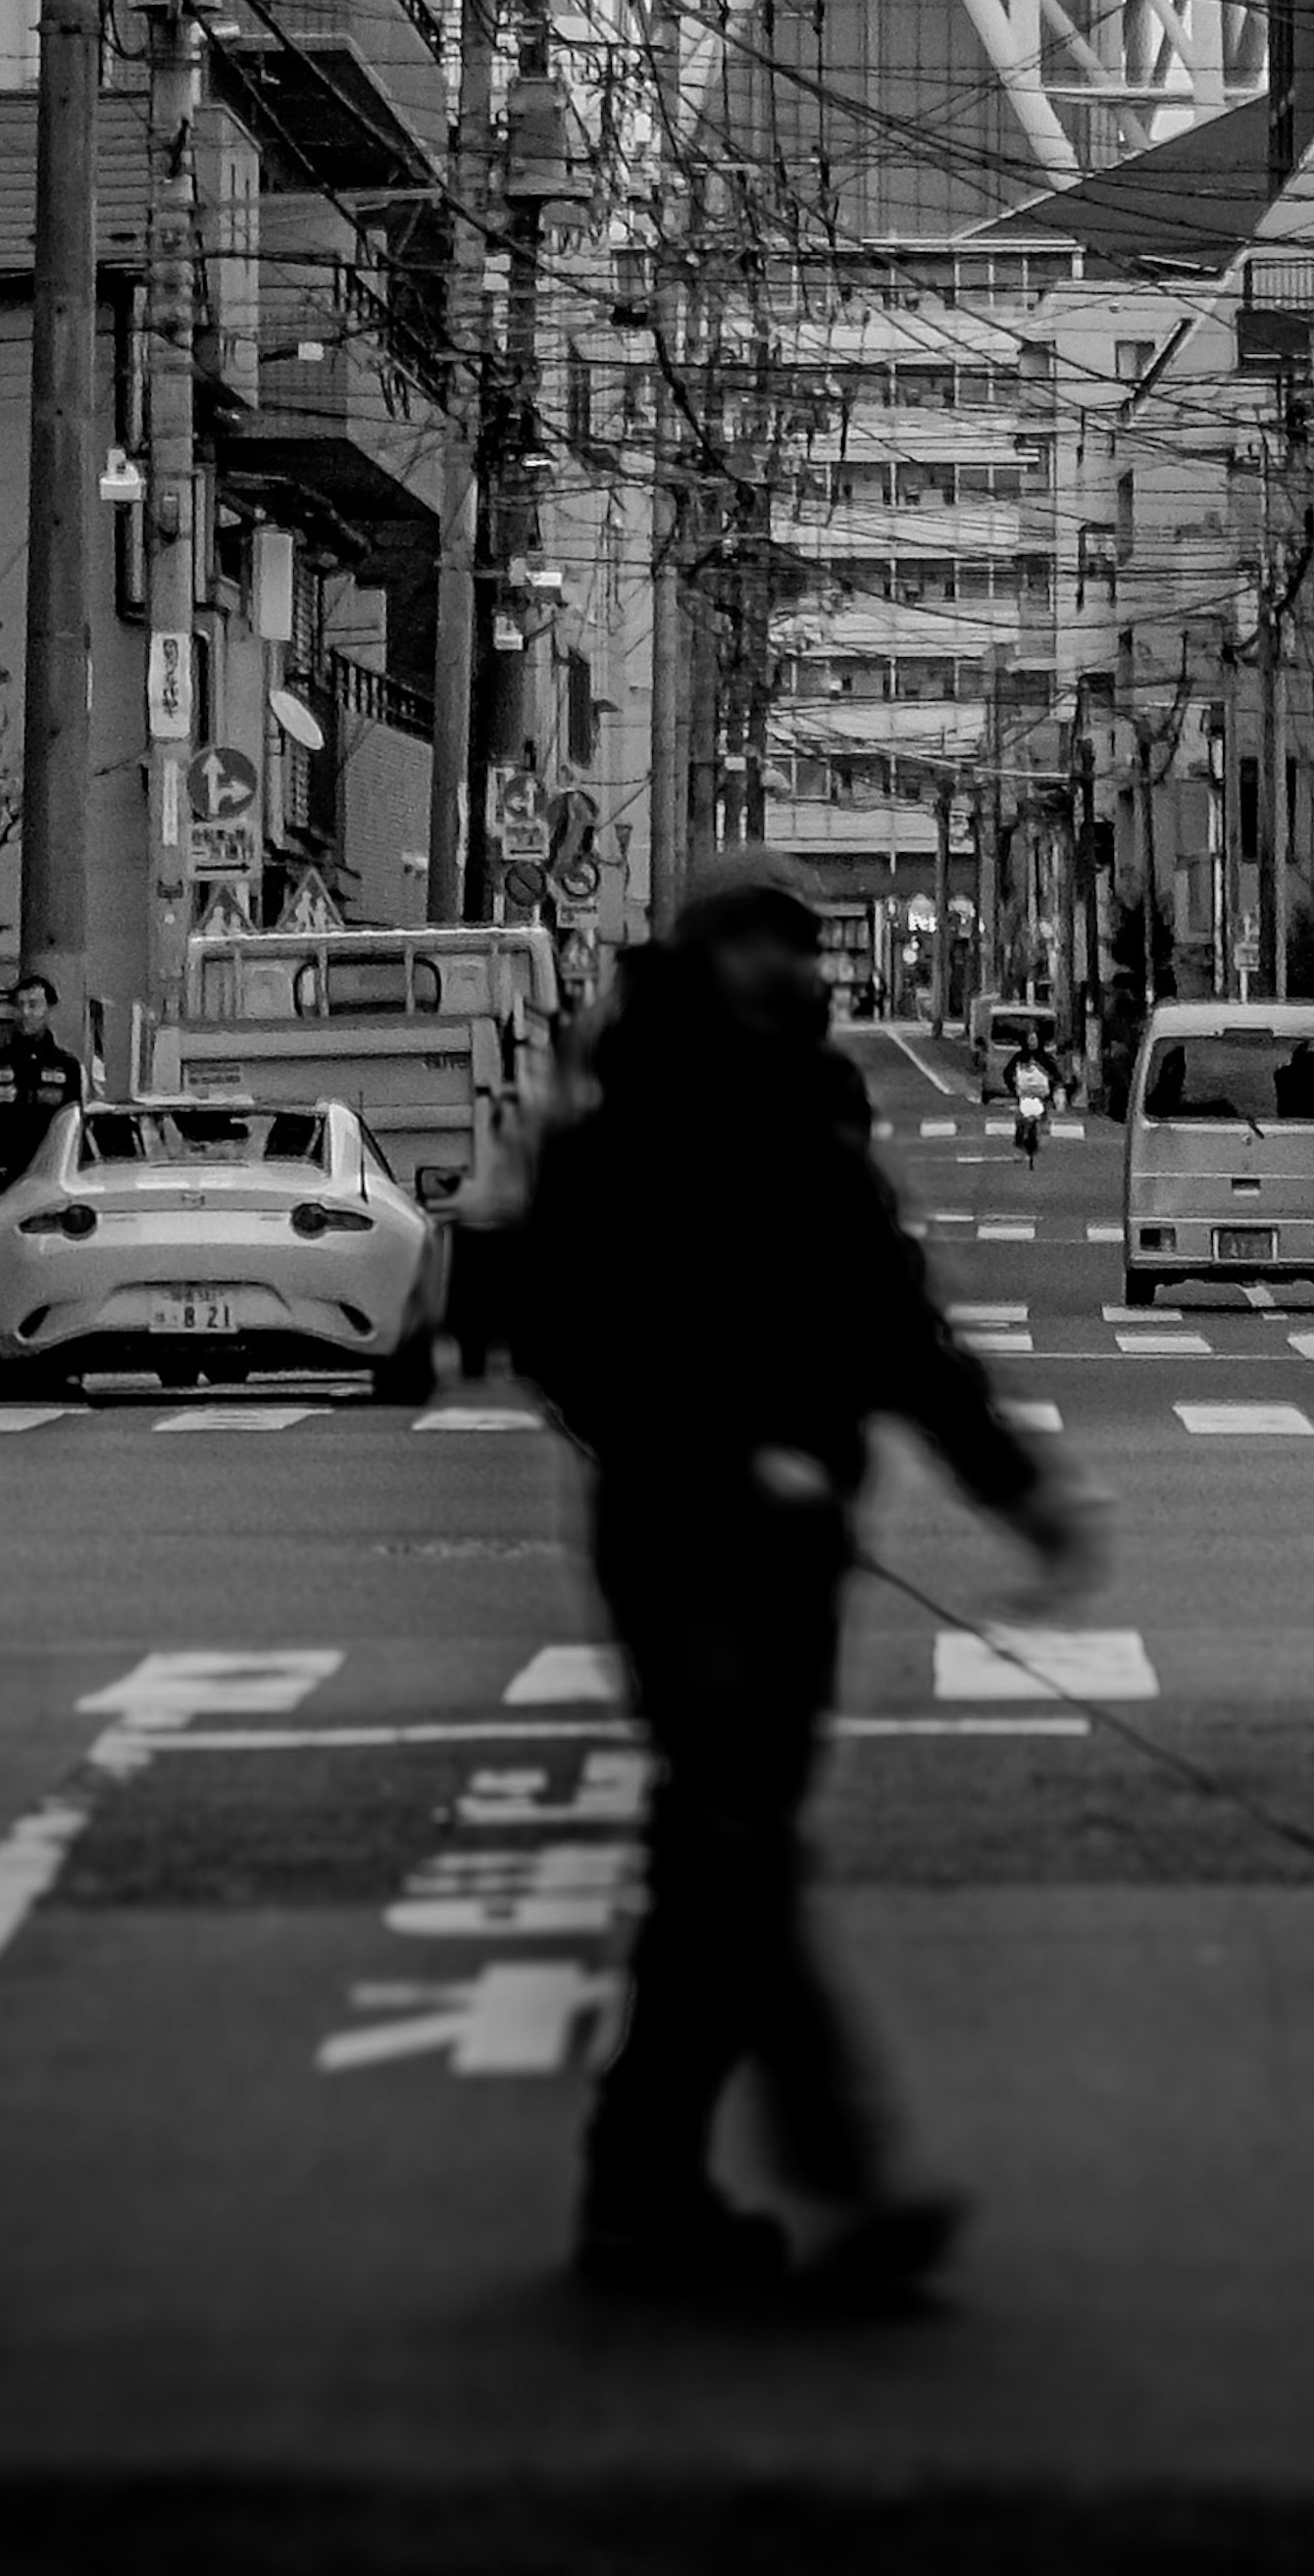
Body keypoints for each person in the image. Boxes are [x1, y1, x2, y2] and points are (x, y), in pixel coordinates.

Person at [511, 850, 1098, 2304]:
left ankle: (643, 2188)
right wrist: (718, 1441)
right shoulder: (618, 1121)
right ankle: (830, 2173)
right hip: (677, 1526)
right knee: (733, 1842)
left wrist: (1016, 1485)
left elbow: (894, 1324)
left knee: (727, 1859)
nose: (795, 970)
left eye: (806, 947)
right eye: (766, 946)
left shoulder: (815, 1115)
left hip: (794, 1544)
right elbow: (560, 1330)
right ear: (708, 960)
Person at [0, 967, 86, 1212]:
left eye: (33, 1005)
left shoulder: (67, 1067)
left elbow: (75, 1130)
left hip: (48, 1182)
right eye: (19, 1006)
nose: (24, 1013)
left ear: (49, 1010)